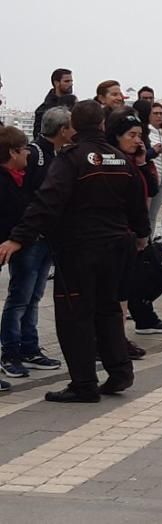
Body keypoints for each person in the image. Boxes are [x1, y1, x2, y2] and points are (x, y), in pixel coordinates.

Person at [0, 100, 150, 403]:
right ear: (103, 126)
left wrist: (18, 237)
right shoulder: (120, 159)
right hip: (116, 247)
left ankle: (84, 384)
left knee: (75, 316)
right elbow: (137, 201)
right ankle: (120, 372)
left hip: (80, 249)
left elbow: (47, 200)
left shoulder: (71, 159)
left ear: (75, 128)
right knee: (108, 309)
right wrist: (142, 235)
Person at [1, 124, 64, 381]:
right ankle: (11, 352)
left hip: (37, 241)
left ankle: (29, 346)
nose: (28, 154)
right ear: (13, 152)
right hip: (22, 244)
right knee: (19, 299)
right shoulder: (5, 182)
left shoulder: (20, 178)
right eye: (24, 150)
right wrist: (17, 238)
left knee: (33, 297)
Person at [106, 109, 162, 338]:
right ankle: (115, 339)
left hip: (135, 232)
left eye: (139, 135)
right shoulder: (111, 161)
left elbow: (152, 189)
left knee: (153, 273)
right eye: (131, 135)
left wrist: (143, 162)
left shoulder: (135, 161)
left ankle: (137, 324)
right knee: (117, 290)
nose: (137, 140)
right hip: (117, 235)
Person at [32, 68, 76, 139]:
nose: (71, 84)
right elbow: (38, 136)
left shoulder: (75, 106)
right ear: (56, 83)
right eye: (67, 81)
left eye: (71, 81)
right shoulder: (43, 110)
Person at [148, 102, 162, 234]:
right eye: (155, 113)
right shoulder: (147, 133)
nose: (158, 116)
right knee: (145, 216)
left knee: (154, 216)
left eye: (161, 113)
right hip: (151, 179)